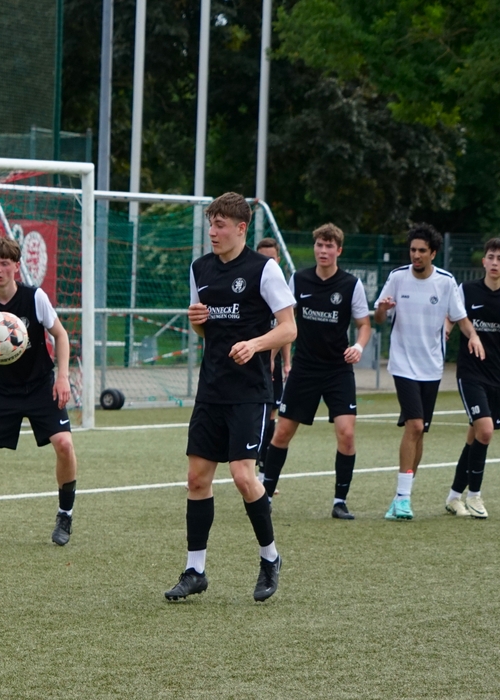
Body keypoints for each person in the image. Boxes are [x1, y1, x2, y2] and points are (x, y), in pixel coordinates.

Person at [164, 193, 296, 604]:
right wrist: (197, 323)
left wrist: (254, 344)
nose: (213, 231)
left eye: (220, 224)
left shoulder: (264, 269)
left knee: (242, 476)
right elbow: (205, 330)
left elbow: (289, 328)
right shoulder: (200, 268)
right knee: (196, 479)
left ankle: (270, 558)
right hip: (212, 388)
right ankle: (195, 570)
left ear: (241, 228)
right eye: (211, 223)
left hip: (250, 391)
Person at [0, 237, 77, 546]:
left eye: (5, 263)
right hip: (1, 389)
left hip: (40, 385)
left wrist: (63, 377)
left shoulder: (34, 297)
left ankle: (65, 515)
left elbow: (61, 335)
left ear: (16, 266)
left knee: (64, 444)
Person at [373, 223, 484, 521]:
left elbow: (461, 318)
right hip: (402, 364)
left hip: (431, 367)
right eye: (413, 250)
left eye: (422, 250)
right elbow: (380, 318)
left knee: (420, 431)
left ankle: (402, 496)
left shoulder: (446, 282)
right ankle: (403, 498)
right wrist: (382, 308)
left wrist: (473, 336)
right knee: (415, 426)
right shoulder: (397, 277)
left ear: (433, 253)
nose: (416, 255)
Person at [261, 224, 372, 519]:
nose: (323, 251)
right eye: (319, 245)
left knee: (347, 434)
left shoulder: (351, 285)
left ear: (339, 250)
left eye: (329, 246)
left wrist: (358, 347)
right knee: (282, 433)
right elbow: (285, 322)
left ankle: (339, 501)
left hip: (338, 371)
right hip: (305, 369)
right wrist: (270, 357)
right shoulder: (299, 279)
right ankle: (265, 496)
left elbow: (364, 324)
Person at [444, 238, 500, 519]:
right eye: (490, 257)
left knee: (475, 436)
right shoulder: (466, 289)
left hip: (494, 374)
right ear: (483, 261)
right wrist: (445, 331)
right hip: (469, 372)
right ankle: (474, 496)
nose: (494, 262)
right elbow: (451, 316)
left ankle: (454, 497)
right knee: (486, 431)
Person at [254, 237, 291, 486]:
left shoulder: (279, 288)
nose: (267, 262)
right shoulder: (251, 283)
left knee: (270, 415)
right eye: (262, 257)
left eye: (271, 258)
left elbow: (286, 329)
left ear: (278, 260)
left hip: (269, 364)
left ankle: (262, 474)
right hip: (249, 361)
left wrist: (284, 362)